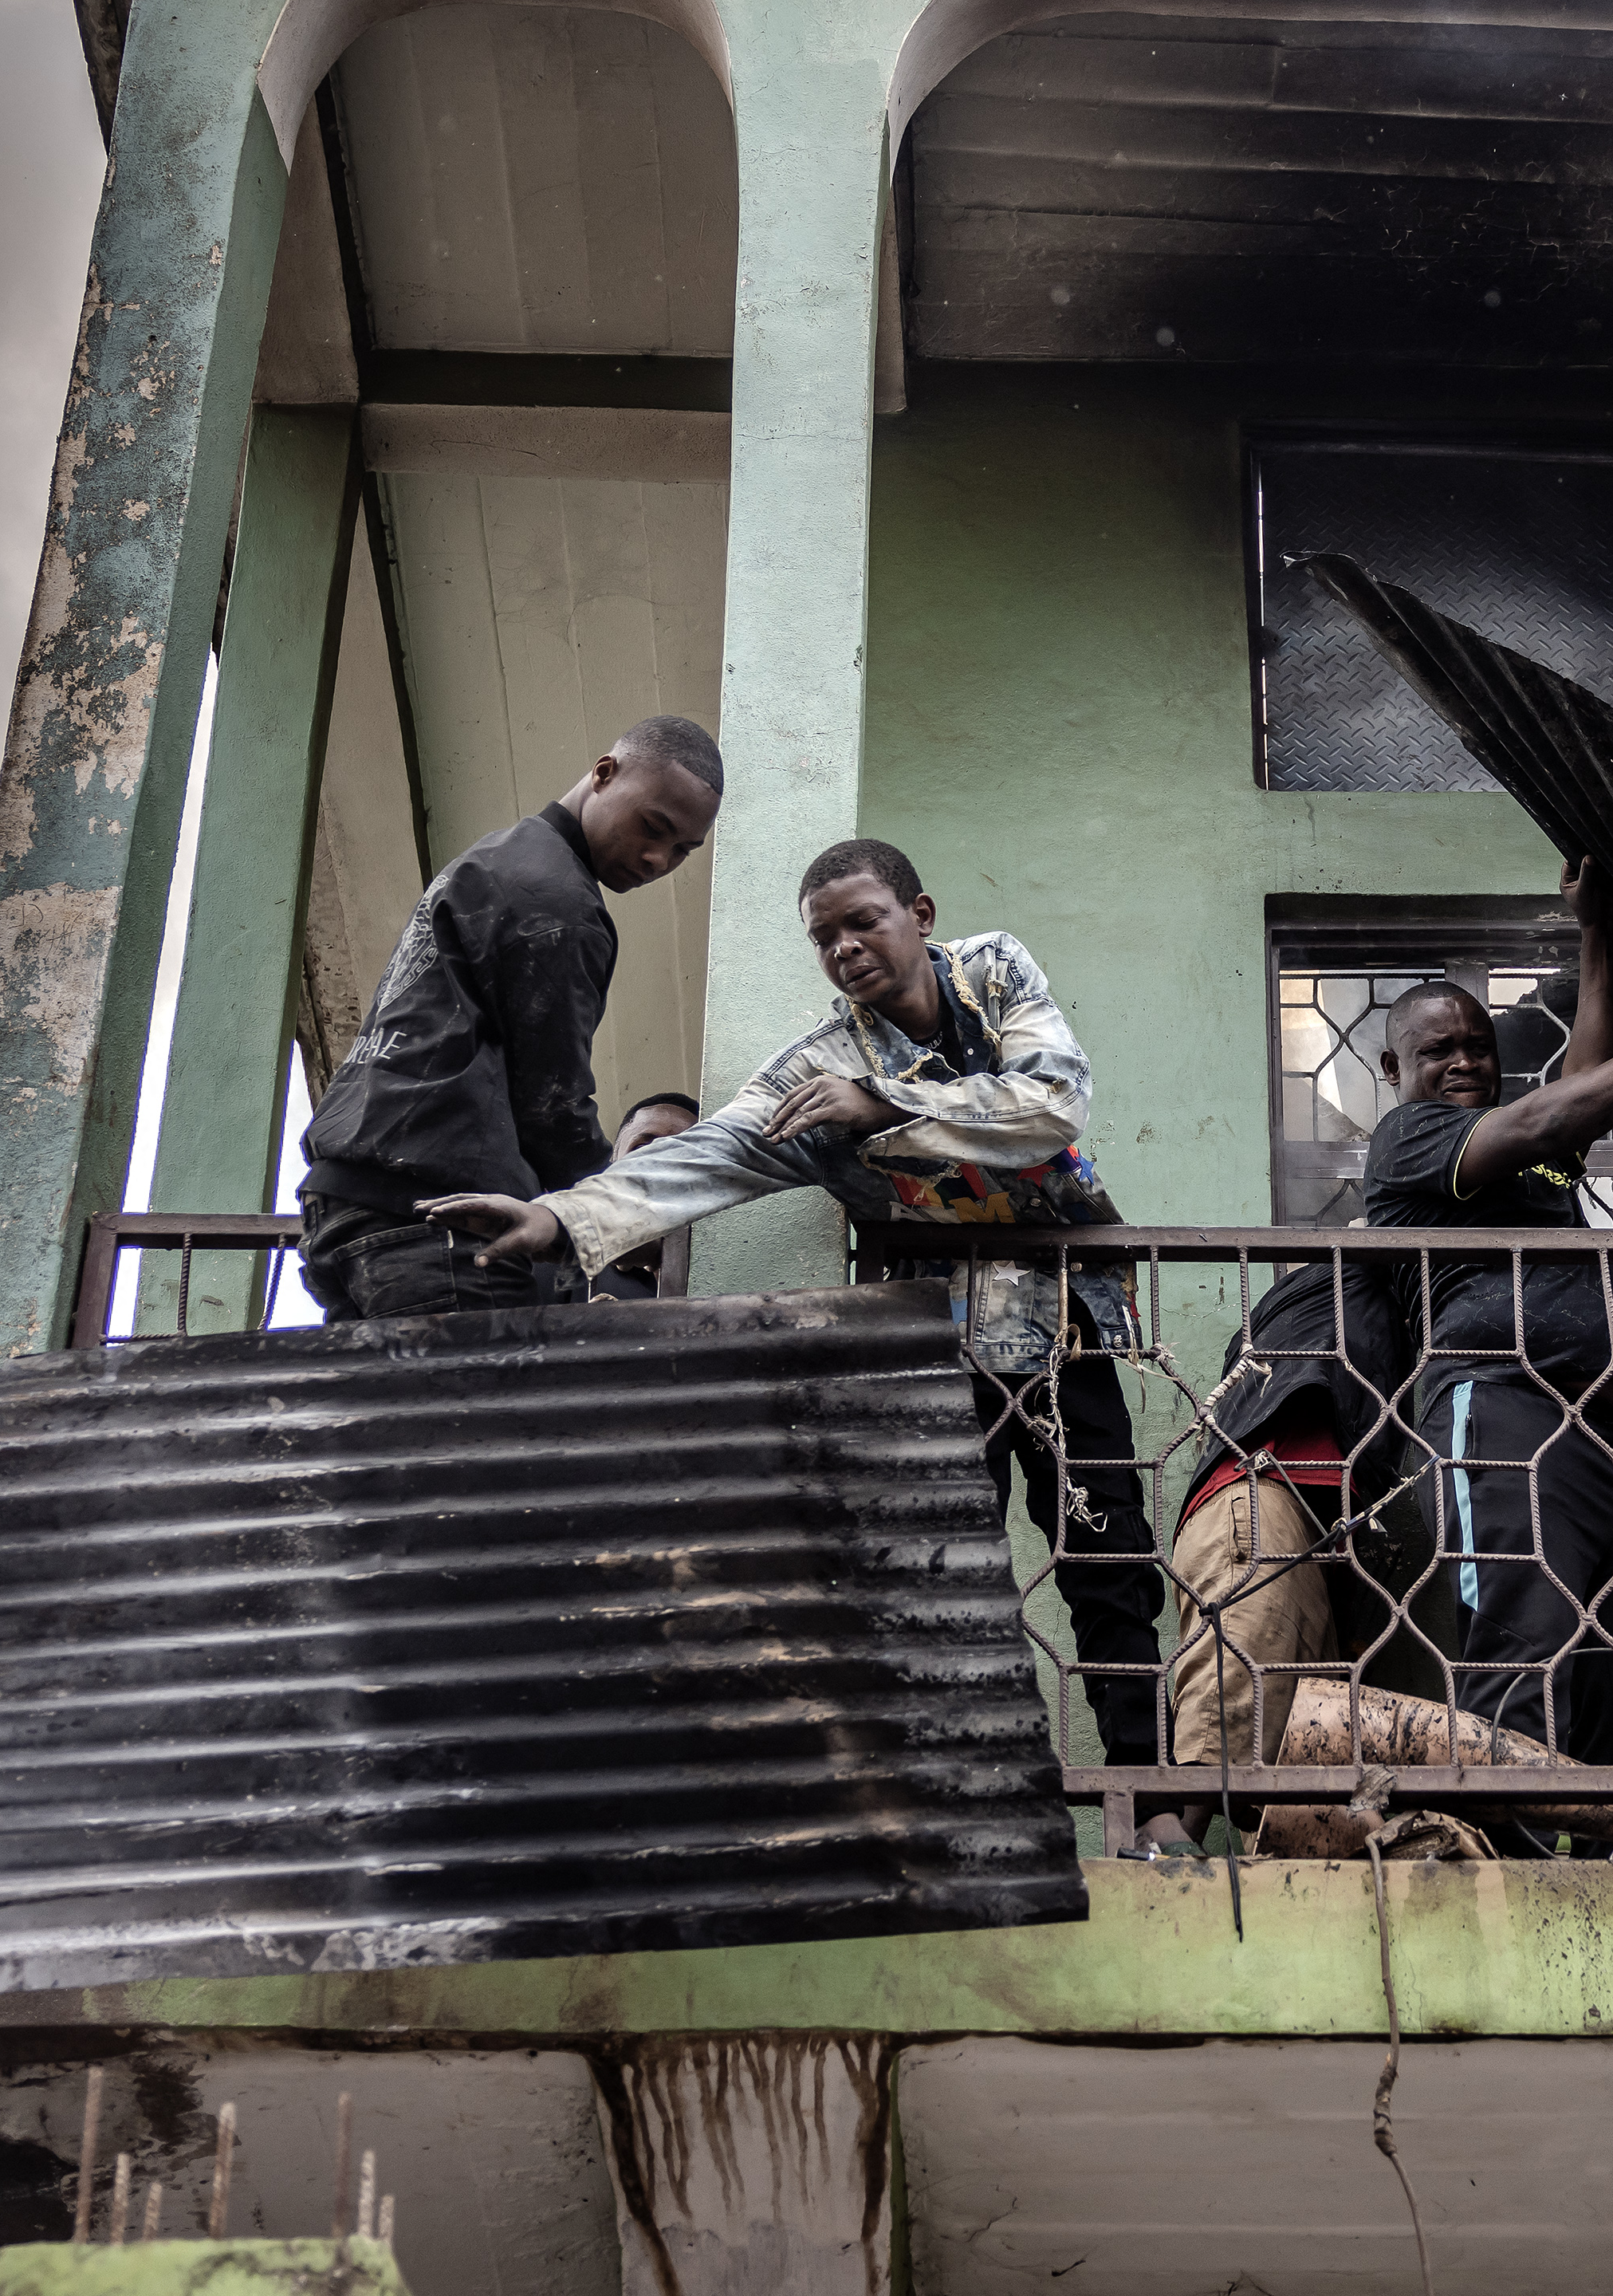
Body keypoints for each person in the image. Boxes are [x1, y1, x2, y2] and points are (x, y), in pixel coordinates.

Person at [417, 837, 1167, 1768]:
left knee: (1110, 1561)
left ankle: (1157, 1804)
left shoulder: (993, 970)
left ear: (919, 918)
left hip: (1059, 1322)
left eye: (864, 922)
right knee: (939, 1576)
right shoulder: (810, 1073)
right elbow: (706, 1155)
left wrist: (879, 1104)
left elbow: (1054, 1101)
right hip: (927, 1337)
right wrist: (557, 1217)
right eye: (823, 938)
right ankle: (964, 1805)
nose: (845, 948)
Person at [1363, 858, 1613, 1768]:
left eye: (1478, 1046)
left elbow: (1572, 1092)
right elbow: (1547, 1122)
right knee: (1521, 1660)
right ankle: (1515, 1874)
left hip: (1598, 1433)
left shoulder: (1525, 1156)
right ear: (1395, 1068)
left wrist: (1594, 928)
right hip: (1496, 1412)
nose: (1466, 1061)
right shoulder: (1412, 1138)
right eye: (1439, 1051)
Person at [293, 718, 723, 1321]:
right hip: (437, 1225)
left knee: (395, 1417)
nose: (658, 858)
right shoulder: (560, 903)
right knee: (481, 1415)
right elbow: (551, 1106)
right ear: (604, 774)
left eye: (683, 849)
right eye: (653, 827)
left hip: (341, 1211)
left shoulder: (498, 858)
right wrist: (617, 1217)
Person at [1141, 1255, 1437, 1857]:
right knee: (1242, 1661)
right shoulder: (1339, 1285)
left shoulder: (1352, 1317)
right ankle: (1165, 1838)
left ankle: (1251, 1865)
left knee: (1305, 1746)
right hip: (1259, 1493)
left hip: (1309, 1530)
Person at [588, 1091, 702, 1300]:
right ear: (612, 1169)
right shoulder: (564, 1267)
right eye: (641, 1148)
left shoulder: (727, 1261)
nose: (659, 1163)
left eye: (682, 1152)